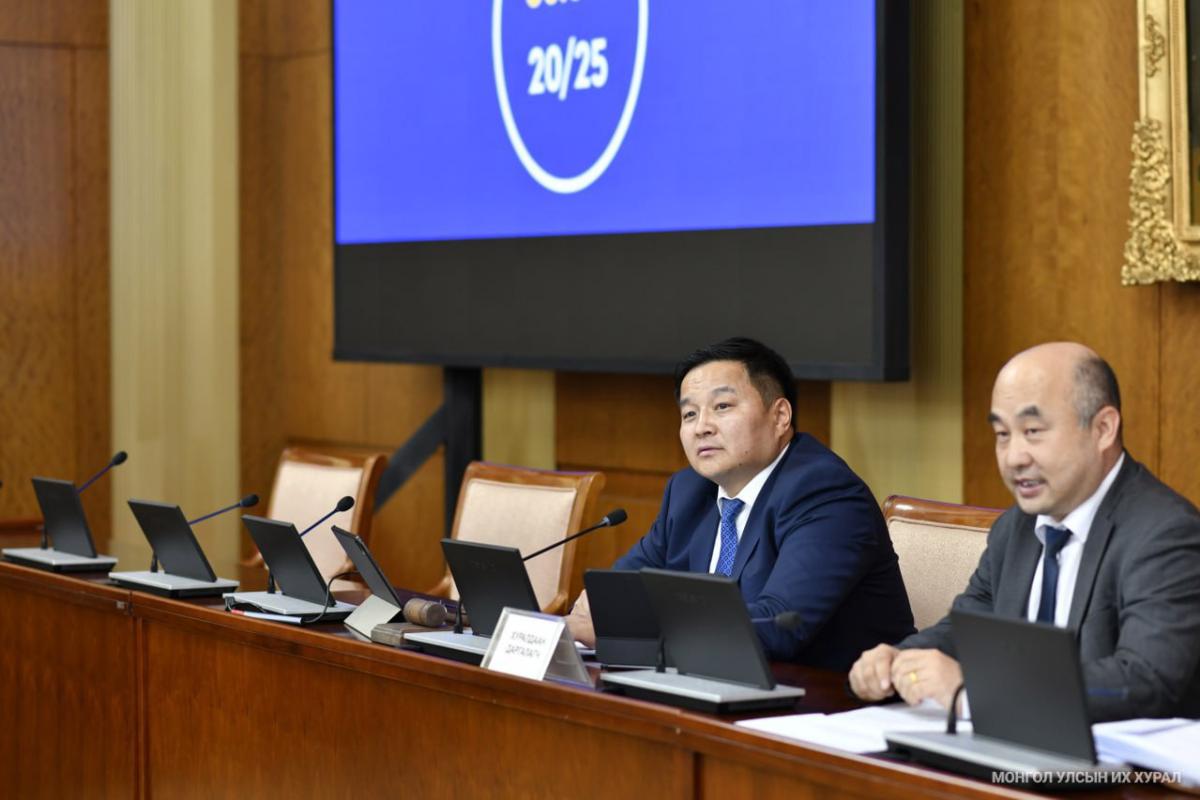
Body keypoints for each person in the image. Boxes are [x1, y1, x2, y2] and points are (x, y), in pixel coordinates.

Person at [848, 342, 1200, 722]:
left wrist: (977, 692)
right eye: (1002, 434)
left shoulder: (1164, 533)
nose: (1014, 457)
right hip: (1018, 744)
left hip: (1121, 756)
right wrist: (898, 662)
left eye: (1032, 431)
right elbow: (967, 630)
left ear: (1102, 429)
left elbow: (1147, 680)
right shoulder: (1016, 528)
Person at [566, 337, 915, 669]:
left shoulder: (825, 493)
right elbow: (613, 594)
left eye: (722, 407)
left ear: (780, 416)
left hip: (830, 697)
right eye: (689, 414)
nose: (701, 427)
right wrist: (605, 614)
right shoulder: (688, 491)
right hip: (720, 684)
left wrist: (631, 630)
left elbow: (778, 626)